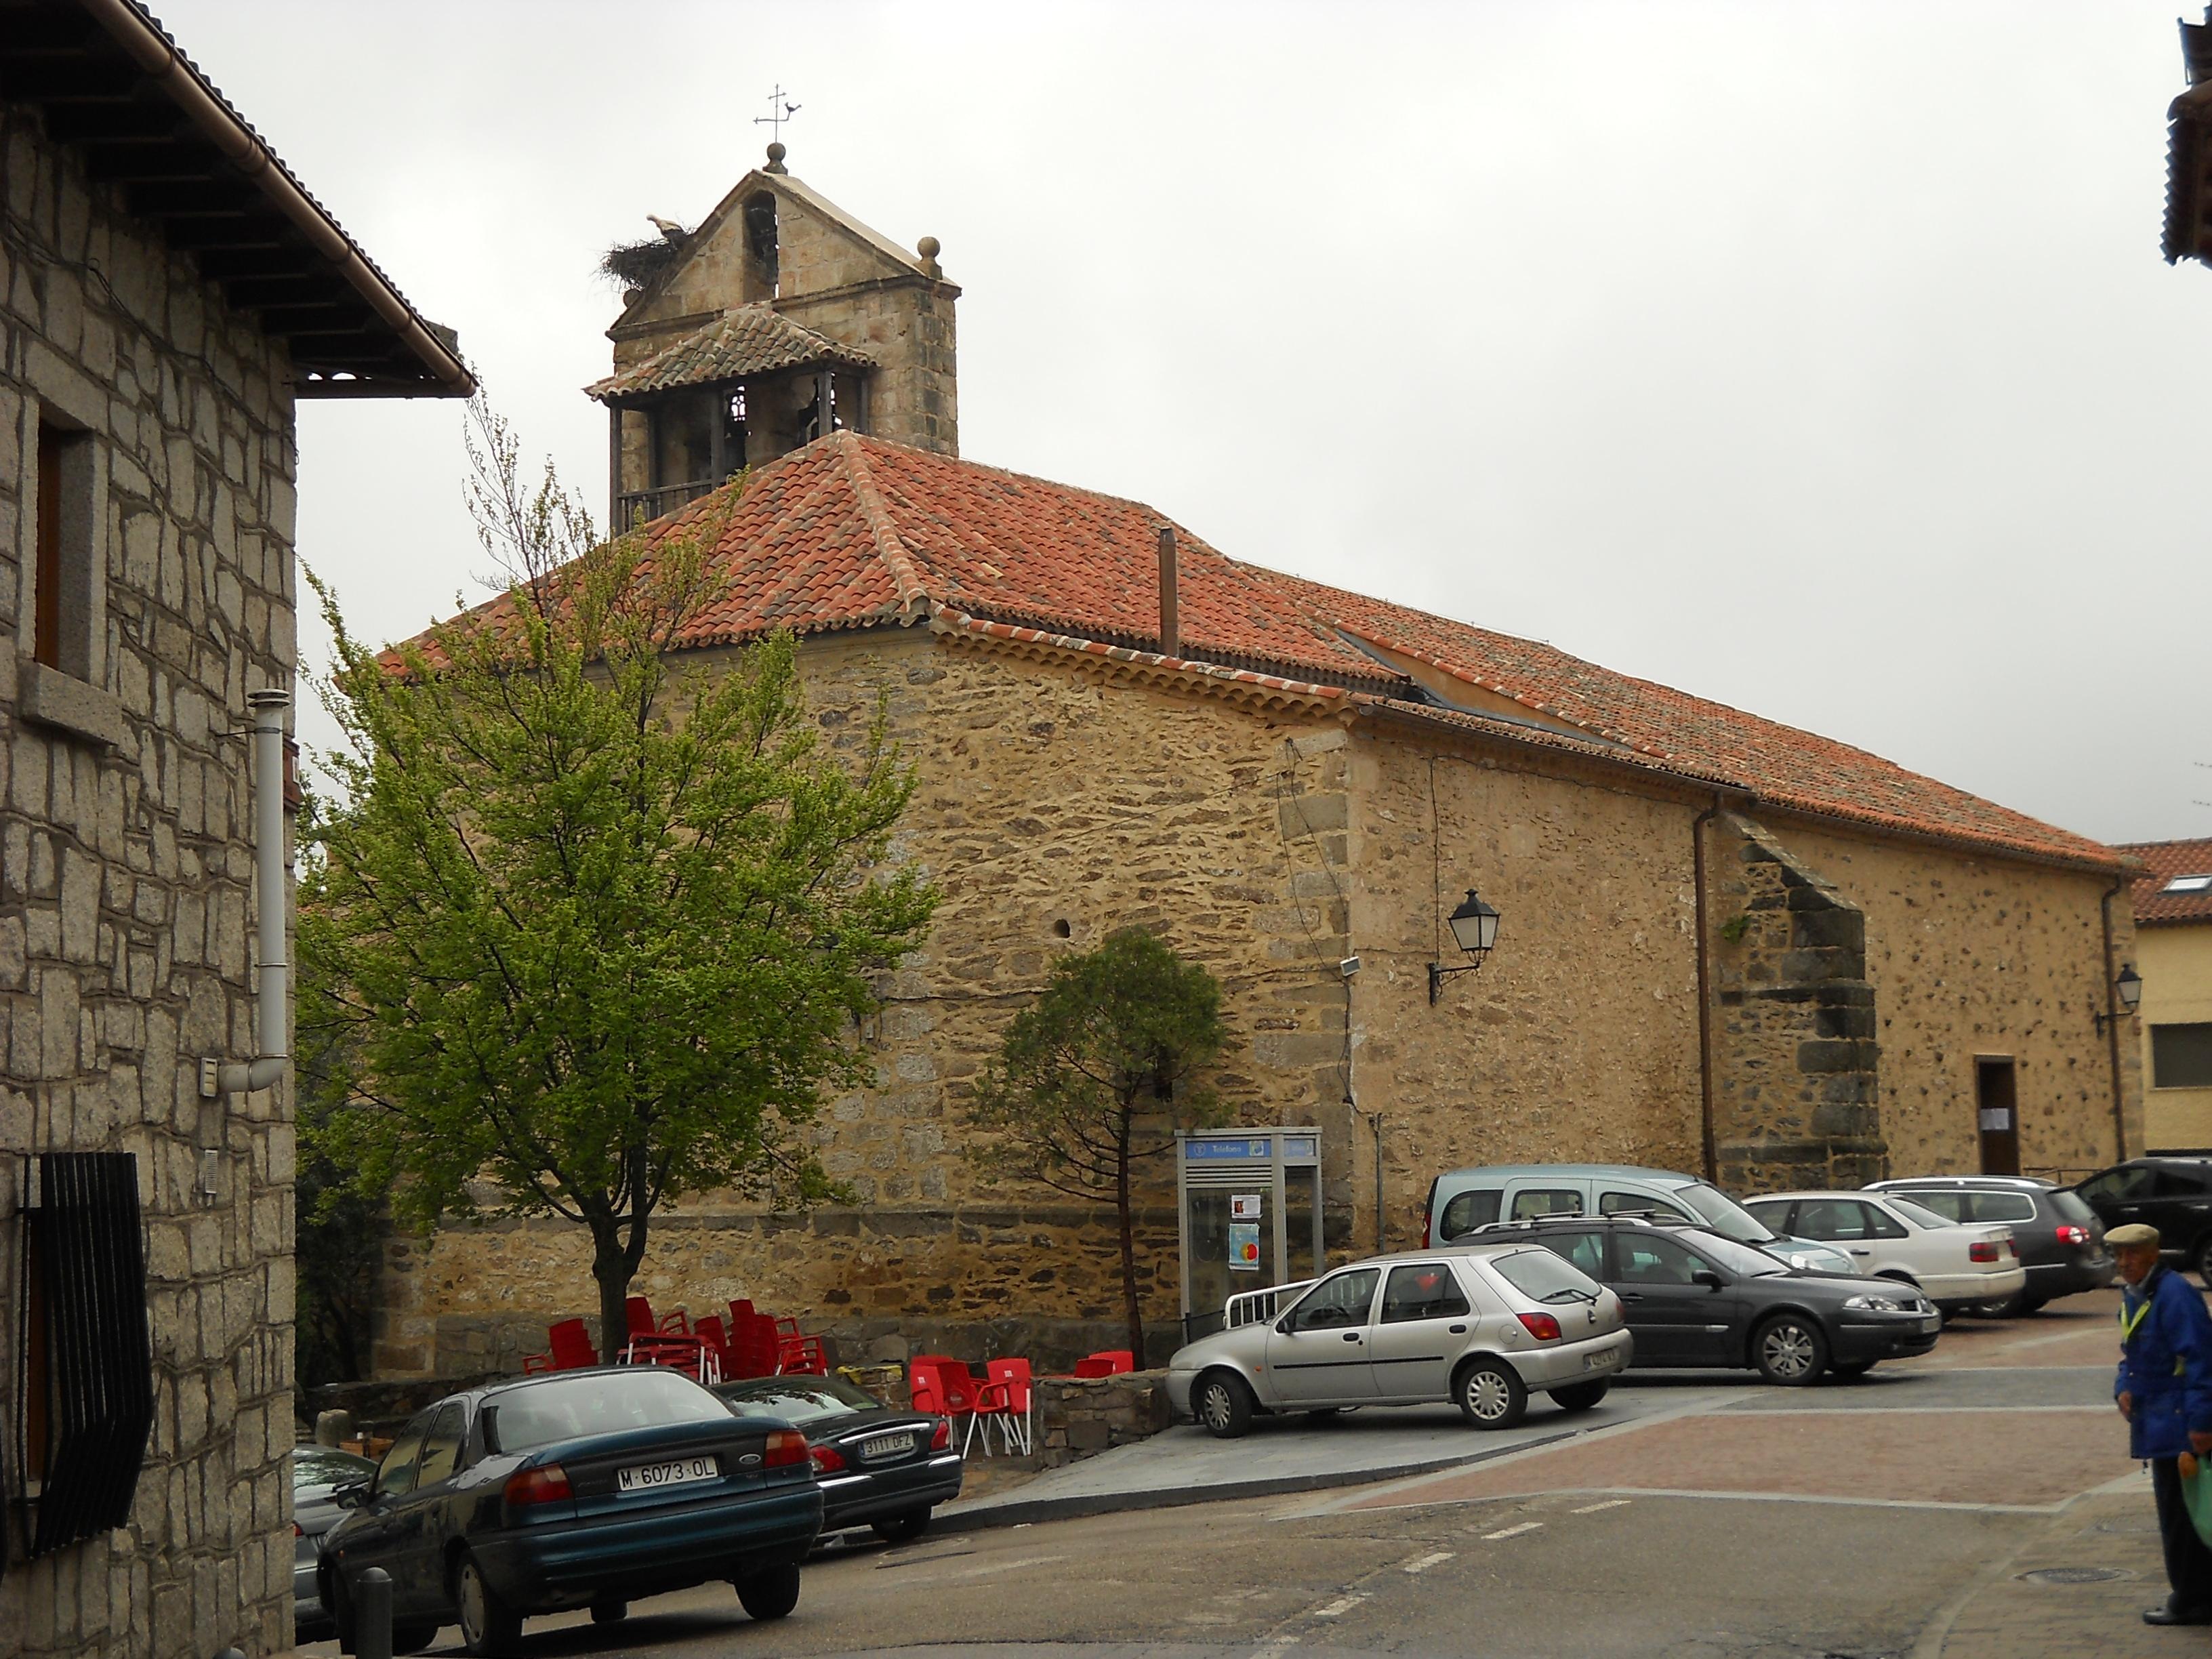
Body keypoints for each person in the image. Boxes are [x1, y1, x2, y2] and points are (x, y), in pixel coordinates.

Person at [2111, 1221, 2212, 1625]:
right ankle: (2195, 1594)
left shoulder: (2173, 1296)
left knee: (2185, 1515)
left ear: (2153, 1254)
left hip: (2179, 1424)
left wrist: (2201, 1424)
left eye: (2132, 1254)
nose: (2124, 1262)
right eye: (2119, 1255)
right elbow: (2131, 1352)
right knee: (2181, 1511)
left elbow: (2202, 1360)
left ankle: (2191, 1599)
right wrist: (2123, 1385)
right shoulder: (2138, 1295)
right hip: (2160, 1419)